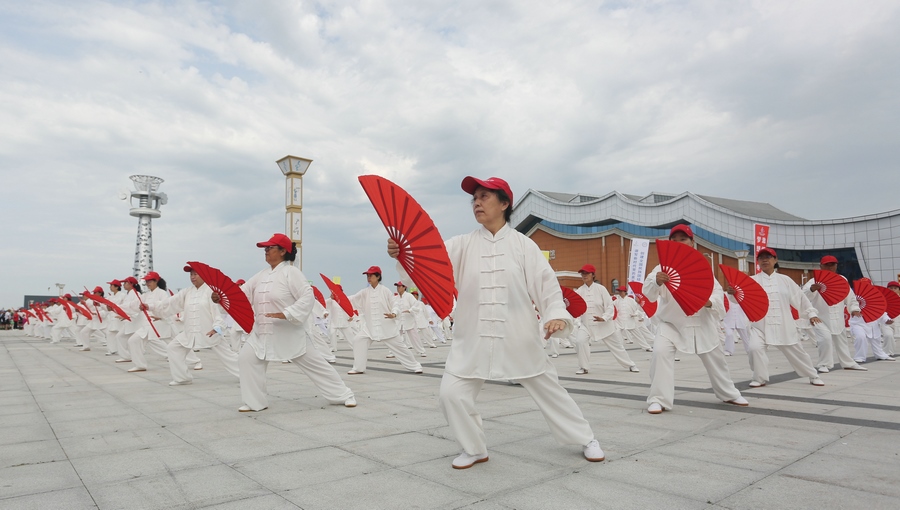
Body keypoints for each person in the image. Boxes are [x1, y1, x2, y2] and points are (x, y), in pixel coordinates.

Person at [390, 176, 604, 469]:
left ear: (504, 204)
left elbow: (547, 287)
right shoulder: (461, 245)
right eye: (474, 198)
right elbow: (428, 265)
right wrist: (403, 254)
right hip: (473, 337)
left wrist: (555, 315)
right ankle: (474, 448)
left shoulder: (524, 246)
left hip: (518, 336)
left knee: (549, 390)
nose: (477, 202)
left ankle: (586, 438)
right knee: (450, 394)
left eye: (484, 196)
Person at [224, 233, 356, 412]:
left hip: (289, 333)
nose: (266, 251)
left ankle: (344, 394)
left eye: (270, 248)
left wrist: (287, 313)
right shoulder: (260, 275)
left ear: (283, 251)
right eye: (265, 248)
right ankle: (255, 402)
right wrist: (222, 297)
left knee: (316, 365)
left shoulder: (291, 273)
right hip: (261, 332)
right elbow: (242, 293)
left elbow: (307, 296)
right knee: (246, 359)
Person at [643, 225, 748, 414]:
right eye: (674, 240)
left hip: (702, 322)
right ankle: (658, 398)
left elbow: (717, 296)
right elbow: (648, 294)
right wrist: (656, 281)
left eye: (683, 239)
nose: (678, 243)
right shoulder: (661, 268)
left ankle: (728, 393)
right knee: (659, 352)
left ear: (692, 242)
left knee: (716, 359)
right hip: (672, 324)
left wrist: (708, 303)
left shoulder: (702, 267)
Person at [745, 248, 825, 387]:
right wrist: (732, 293)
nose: (765, 260)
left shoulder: (785, 280)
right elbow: (741, 298)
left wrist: (811, 314)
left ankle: (813, 375)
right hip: (760, 325)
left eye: (768, 257)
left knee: (797, 353)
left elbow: (800, 299)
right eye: (761, 257)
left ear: (775, 260)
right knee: (754, 348)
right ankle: (759, 378)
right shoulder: (752, 281)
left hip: (784, 324)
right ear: (757, 261)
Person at [151, 265, 240, 386]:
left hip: (210, 332)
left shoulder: (212, 292)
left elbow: (218, 313)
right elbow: (171, 303)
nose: (192, 277)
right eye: (191, 274)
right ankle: (182, 378)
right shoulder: (187, 292)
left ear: (204, 275)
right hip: (190, 332)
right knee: (173, 348)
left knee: (229, 357)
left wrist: (217, 328)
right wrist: (151, 307)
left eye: (195, 274)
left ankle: (247, 375)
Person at [346, 267, 424, 375]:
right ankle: (358, 368)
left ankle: (415, 366)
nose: (368, 278)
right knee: (358, 341)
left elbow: (394, 304)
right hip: (370, 327)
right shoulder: (364, 292)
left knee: (400, 348)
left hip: (386, 326)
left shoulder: (385, 291)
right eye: (367, 276)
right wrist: (338, 298)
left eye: (371, 275)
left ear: (378, 277)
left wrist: (394, 313)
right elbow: (352, 299)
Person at [801, 256, 867, 372]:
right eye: (827, 265)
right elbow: (803, 297)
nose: (830, 267)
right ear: (821, 266)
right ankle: (824, 364)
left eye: (832, 264)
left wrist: (854, 308)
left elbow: (850, 296)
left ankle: (848, 363)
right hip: (820, 317)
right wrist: (812, 289)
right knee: (825, 339)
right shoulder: (814, 281)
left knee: (842, 341)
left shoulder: (842, 279)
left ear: (836, 266)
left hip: (838, 317)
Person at [573, 265, 638, 374]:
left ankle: (630, 364)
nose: (584, 275)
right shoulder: (579, 291)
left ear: (593, 275)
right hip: (587, 325)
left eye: (587, 273)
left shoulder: (601, 289)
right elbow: (576, 307)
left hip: (604, 325)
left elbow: (609, 306)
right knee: (580, 341)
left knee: (617, 347)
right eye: (582, 273)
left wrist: (604, 318)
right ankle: (583, 367)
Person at [614, 286, 654, 351]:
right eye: (619, 291)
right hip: (620, 321)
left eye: (621, 291)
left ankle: (647, 347)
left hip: (630, 321)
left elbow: (638, 309)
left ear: (625, 292)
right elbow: (612, 310)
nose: (620, 293)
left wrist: (636, 314)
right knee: (617, 335)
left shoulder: (631, 300)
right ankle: (620, 348)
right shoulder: (616, 301)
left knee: (639, 335)